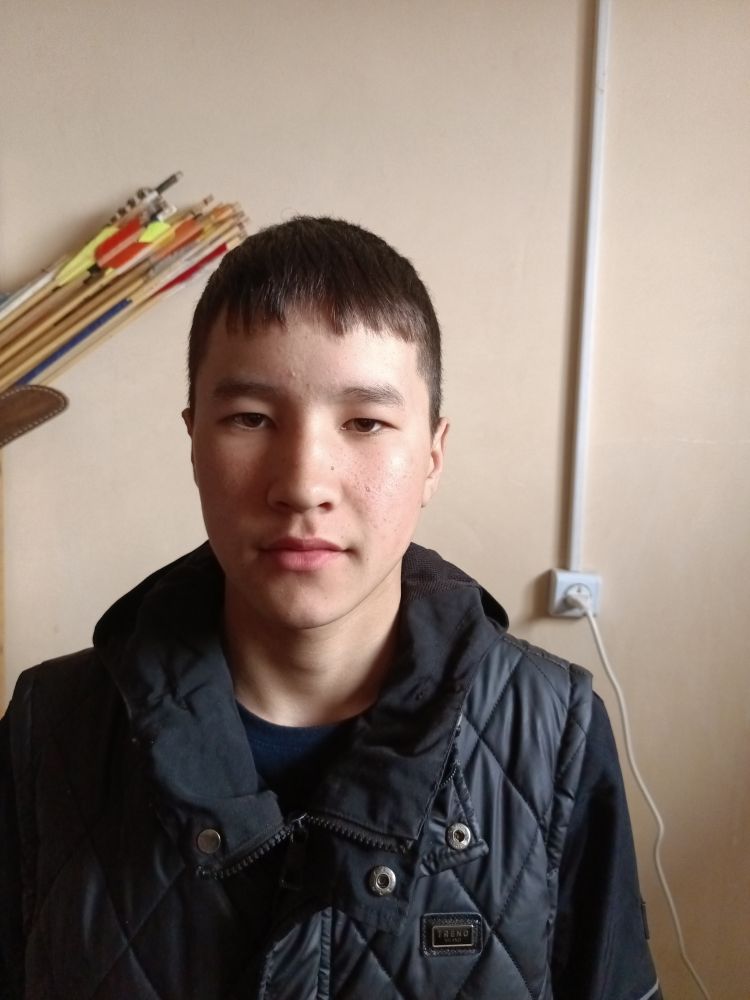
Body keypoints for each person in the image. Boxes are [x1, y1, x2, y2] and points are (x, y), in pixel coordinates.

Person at [0, 217, 661, 999]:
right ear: (194, 441)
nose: (303, 484)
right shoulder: (52, 727)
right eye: (250, 419)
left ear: (433, 456)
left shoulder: (553, 732)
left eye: (366, 423)